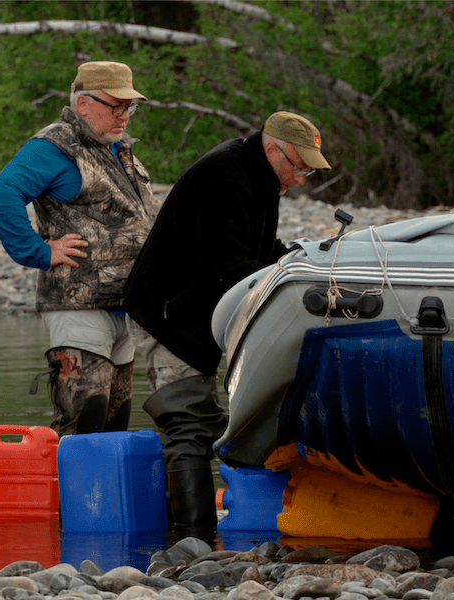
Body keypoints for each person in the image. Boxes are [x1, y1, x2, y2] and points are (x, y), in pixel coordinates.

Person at [123, 111, 331, 527]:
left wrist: (297, 260)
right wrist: (277, 282)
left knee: (207, 420)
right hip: (169, 310)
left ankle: (195, 525)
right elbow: (224, 262)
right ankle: (193, 537)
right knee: (187, 423)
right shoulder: (225, 176)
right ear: (274, 149)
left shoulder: (262, 175)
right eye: (301, 166)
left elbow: (250, 245)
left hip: (199, 310)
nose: (303, 178)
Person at [0, 61, 160, 437]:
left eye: (129, 107)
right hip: (79, 307)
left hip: (125, 306)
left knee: (115, 423)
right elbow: (1, 196)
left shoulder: (118, 150)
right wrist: (41, 252)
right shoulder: (54, 147)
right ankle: (69, 498)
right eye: (115, 105)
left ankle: (107, 498)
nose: (125, 115)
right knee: (84, 422)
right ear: (83, 104)